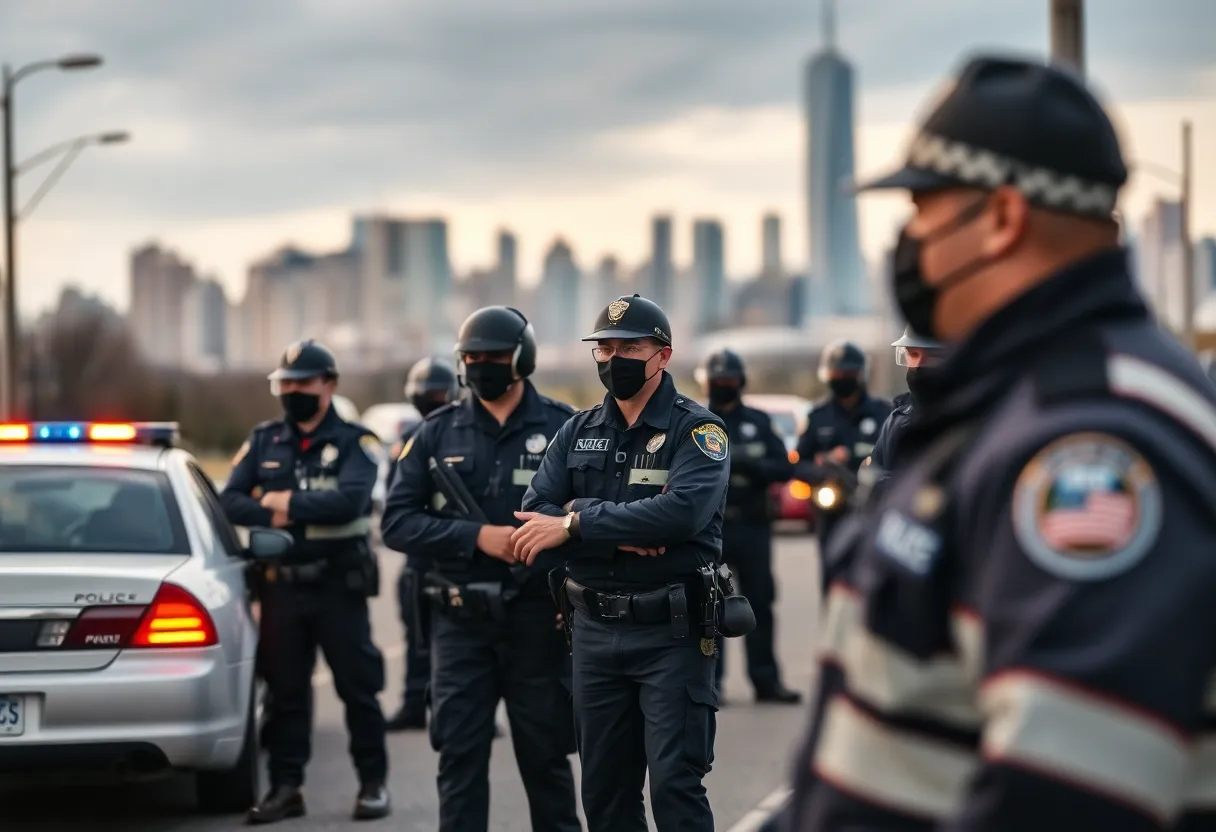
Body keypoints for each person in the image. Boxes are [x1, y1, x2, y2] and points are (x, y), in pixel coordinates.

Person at [782, 53, 1216, 831]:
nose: (909, 244)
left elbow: (1066, 797)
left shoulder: (1092, 443)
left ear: (1003, 219)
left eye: (924, 210)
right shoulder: (1003, 404)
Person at [513, 294, 730, 832]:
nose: (614, 359)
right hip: (593, 633)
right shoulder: (577, 428)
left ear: (663, 354)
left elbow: (681, 514)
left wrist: (577, 523)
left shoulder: (697, 432)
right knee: (606, 794)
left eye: (629, 346)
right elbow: (536, 511)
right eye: (604, 348)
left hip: (672, 633)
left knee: (675, 787)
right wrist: (608, 525)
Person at [380, 307, 580, 832]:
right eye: (472, 358)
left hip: (539, 621)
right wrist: (477, 538)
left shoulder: (564, 429)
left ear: (523, 358)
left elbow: (587, 521)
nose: (482, 366)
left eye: (494, 357)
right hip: (460, 624)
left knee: (547, 761)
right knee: (459, 761)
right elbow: (397, 524)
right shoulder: (435, 435)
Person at [219, 339, 390, 824]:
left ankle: (373, 784)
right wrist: (291, 503)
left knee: (358, 688)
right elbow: (230, 500)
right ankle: (286, 787)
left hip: (339, 586)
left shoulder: (357, 442)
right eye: (285, 384)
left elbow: (351, 503)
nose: (292, 391)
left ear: (328, 385)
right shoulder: (265, 438)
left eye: (302, 383)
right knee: (286, 692)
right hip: (281, 590)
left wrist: (277, 501)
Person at [696, 348, 800, 704]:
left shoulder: (758, 421)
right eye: (718, 380)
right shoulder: (698, 421)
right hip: (713, 529)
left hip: (753, 528)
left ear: (741, 382)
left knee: (759, 605)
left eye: (731, 380)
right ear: (708, 383)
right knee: (711, 606)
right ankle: (712, 684)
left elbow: (784, 468)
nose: (725, 385)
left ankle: (766, 681)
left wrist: (750, 465)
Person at [384, 356, 459, 732]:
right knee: (416, 638)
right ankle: (414, 704)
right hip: (418, 560)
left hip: (459, 558)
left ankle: (473, 710)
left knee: (468, 642)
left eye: (436, 392)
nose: (430, 399)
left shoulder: (462, 433)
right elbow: (395, 502)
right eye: (423, 393)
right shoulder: (409, 439)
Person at [793, 340, 891, 577]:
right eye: (837, 373)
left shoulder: (883, 414)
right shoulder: (818, 417)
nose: (842, 378)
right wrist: (822, 468)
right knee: (834, 575)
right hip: (832, 511)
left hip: (875, 507)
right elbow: (797, 464)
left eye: (848, 373)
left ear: (860, 375)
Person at [865, 326, 947, 484]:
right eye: (913, 354)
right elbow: (875, 475)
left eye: (931, 356)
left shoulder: (973, 416)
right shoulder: (898, 419)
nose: (918, 365)